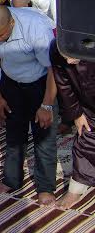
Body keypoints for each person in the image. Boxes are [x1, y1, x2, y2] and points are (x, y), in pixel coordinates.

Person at [0, 5, 57, 205]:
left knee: (44, 136)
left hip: (41, 82)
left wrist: (46, 106)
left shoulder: (36, 27)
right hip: (11, 82)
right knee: (13, 132)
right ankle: (12, 180)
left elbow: (54, 69)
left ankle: (45, 188)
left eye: (1, 35)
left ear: (12, 23)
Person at [50, 40, 95, 209]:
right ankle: (75, 191)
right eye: (65, 56)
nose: (69, 62)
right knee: (85, 139)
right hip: (87, 105)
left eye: (72, 57)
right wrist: (77, 113)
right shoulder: (56, 47)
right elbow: (64, 84)